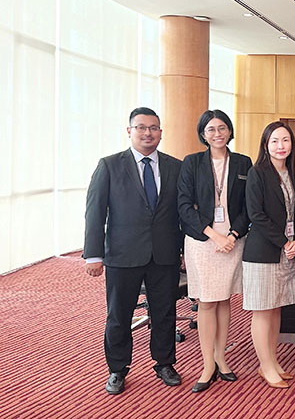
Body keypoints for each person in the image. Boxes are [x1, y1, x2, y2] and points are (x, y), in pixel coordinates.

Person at [83, 107, 183, 395]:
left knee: (165, 313)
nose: (148, 133)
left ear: (161, 132)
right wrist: (93, 254)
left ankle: (165, 363)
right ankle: (117, 369)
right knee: (119, 315)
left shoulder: (175, 167)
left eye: (153, 128)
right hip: (122, 254)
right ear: (129, 131)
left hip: (164, 254)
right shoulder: (109, 165)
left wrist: (185, 250)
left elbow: (182, 213)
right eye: (141, 127)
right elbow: (95, 212)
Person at [177, 110, 251, 393]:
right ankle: (208, 363)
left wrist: (232, 235)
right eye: (211, 129)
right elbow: (184, 205)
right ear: (203, 134)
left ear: (229, 131)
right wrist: (214, 235)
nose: (217, 133)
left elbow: (248, 206)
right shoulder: (192, 163)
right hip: (203, 241)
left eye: (222, 128)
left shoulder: (243, 162)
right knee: (207, 301)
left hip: (233, 241)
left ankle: (221, 357)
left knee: (224, 300)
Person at [242, 121, 295, 389]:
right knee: (263, 311)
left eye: (285, 140)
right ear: (266, 145)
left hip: (287, 251)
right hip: (263, 252)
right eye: (275, 141)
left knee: (277, 308)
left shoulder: (294, 174)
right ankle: (265, 365)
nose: (281, 146)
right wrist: (284, 242)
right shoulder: (257, 173)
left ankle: (272, 360)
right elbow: (256, 215)